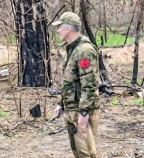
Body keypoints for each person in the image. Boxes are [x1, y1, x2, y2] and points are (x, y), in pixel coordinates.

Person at [52, 12, 100, 158]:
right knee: (77, 152)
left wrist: (84, 113)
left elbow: (89, 85)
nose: (58, 30)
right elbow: (69, 81)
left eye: (60, 27)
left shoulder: (84, 51)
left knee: (87, 152)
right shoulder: (72, 49)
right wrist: (61, 103)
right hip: (72, 108)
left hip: (82, 110)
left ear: (68, 29)